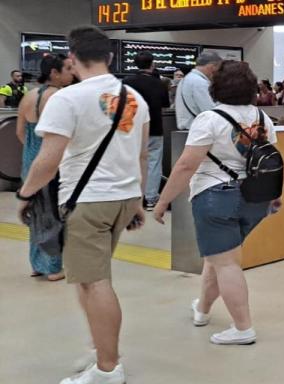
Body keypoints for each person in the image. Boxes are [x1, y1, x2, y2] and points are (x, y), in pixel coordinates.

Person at [17, 26, 149, 384]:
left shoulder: (68, 99)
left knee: (94, 282)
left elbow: (48, 159)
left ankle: (108, 368)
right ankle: (100, 346)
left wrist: (26, 193)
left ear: (72, 60)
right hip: (122, 199)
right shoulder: (135, 97)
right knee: (88, 279)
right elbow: (139, 155)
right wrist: (137, 199)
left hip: (88, 202)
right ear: (109, 58)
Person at [154, 61, 280, 347]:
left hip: (216, 197)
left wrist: (163, 202)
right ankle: (202, 310)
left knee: (225, 264)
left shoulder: (209, 119)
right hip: (254, 199)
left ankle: (243, 328)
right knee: (220, 257)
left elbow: (186, 165)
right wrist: (274, 195)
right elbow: (269, 161)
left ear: (216, 87)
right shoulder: (263, 118)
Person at [16, 54, 74, 281]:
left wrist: (34, 153)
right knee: (55, 215)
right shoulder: (60, 98)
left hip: (29, 162)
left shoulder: (27, 97)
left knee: (36, 214)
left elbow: (20, 132)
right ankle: (53, 267)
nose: (72, 73)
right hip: (54, 164)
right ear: (54, 73)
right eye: (67, 69)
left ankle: (36, 264)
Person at [124, 51, 171, 211]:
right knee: (153, 163)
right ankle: (151, 198)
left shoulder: (127, 82)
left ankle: (131, 197)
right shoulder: (159, 83)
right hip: (154, 127)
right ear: (153, 64)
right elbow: (165, 104)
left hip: (132, 129)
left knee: (131, 162)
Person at [175, 51, 222, 130]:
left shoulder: (186, 79)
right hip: (197, 129)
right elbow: (210, 111)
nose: (218, 73)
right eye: (218, 69)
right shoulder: (199, 82)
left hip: (188, 128)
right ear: (212, 66)